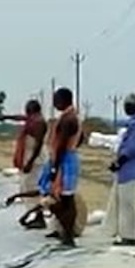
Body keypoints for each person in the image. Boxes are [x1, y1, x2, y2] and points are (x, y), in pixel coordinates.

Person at [107, 94, 135, 246]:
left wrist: (118, 162)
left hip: (131, 167)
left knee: (127, 204)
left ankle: (129, 236)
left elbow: (131, 147)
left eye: (127, 105)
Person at [0, 100, 49, 225]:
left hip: (35, 160)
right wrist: (7, 117)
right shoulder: (33, 120)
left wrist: (30, 162)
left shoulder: (39, 123)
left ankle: (39, 216)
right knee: (27, 185)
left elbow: (38, 145)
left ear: (31, 110)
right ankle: (36, 215)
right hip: (29, 158)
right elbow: (21, 118)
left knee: (32, 186)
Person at [45, 87, 82, 247]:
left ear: (63, 100)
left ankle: (68, 235)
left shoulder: (68, 120)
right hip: (67, 157)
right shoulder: (72, 117)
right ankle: (66, 232)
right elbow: (81, 138)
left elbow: (60, 145)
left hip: (65, 160)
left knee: (65, 199)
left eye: (55, 100)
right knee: (63, 198)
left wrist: (55, 167)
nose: (53, 103)